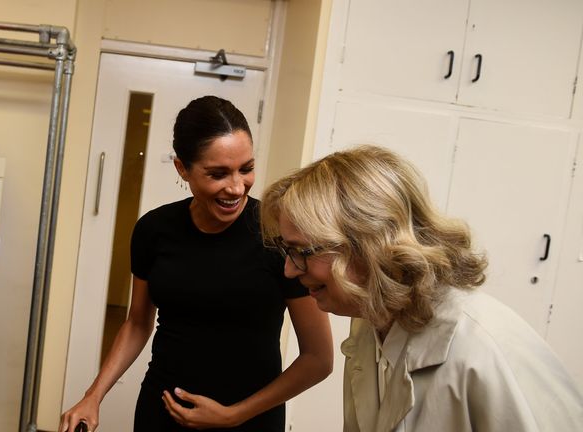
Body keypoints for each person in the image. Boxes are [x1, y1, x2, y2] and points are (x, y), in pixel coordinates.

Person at [259, 144, 583, 431]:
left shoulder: (485, 348)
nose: (289, 269)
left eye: (302, 252)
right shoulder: (370, 324)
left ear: (370, 244)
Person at [59, 96, 334, 432]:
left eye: (246, 169)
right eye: (217, 174)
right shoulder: (154, 230)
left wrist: (233, 415)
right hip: (165, 412)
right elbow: (137, 323)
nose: (236, 187)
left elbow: (318, 359)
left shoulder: (277, 234)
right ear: (182, 168)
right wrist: (93, 395)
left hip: (250, 420)